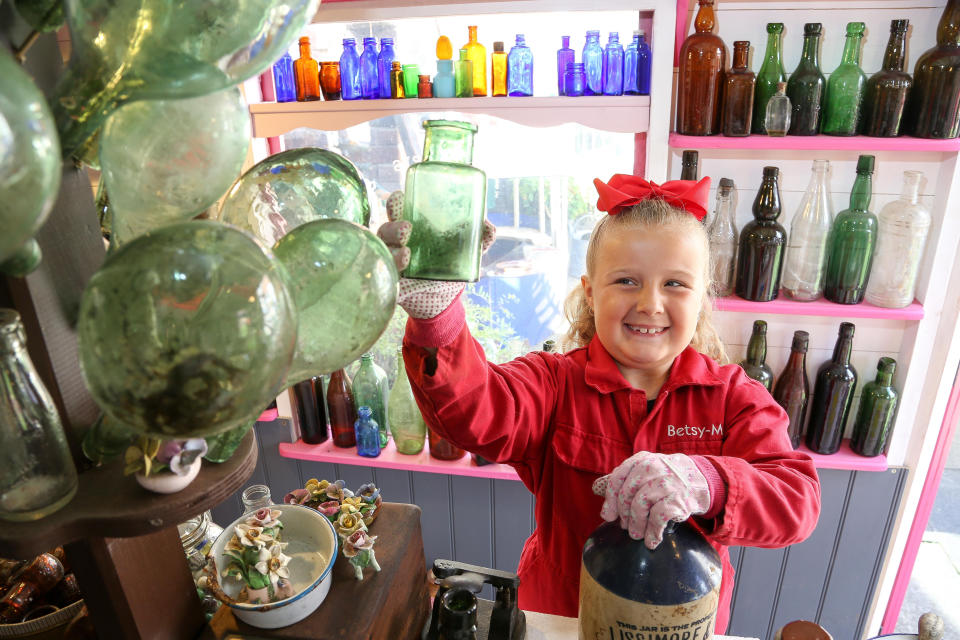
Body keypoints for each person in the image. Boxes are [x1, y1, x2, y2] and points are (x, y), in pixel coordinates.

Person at [377, 174, 821, 633]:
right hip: (563, 621)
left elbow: (797, 499)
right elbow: (476, 412)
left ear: (702, 299)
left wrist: (708, 481)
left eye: (675, 284)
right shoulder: (555, 383)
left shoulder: (733, 398)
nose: (650, 303)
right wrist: (437, 317)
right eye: (627, 280)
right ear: (590, 291)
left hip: (685, 624)